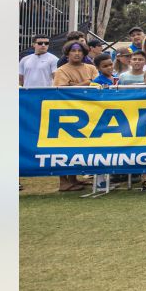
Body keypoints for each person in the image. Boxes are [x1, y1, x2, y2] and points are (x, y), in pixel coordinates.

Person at [51, 42, 98, 192]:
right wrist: (86, 83)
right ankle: (63, 182)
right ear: (67, 53)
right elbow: (62, 90)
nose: (76, 53)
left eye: (79, 51)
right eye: (73, 51)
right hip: (66, 112)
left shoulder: (91, 68)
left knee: (79, 147)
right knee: (65, 147)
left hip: (88, 111)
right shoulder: (61, 70)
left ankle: (73, 179)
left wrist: (76, 84)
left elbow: (97, 85)